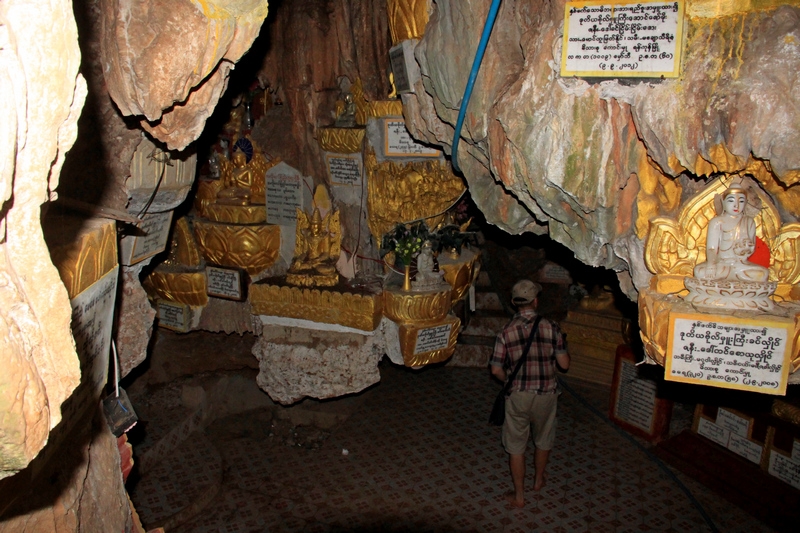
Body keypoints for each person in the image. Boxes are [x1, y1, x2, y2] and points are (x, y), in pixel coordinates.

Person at [489, 279, 570, 509]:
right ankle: (537, 481)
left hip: (518, 395)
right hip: (546, 393)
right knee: (543, 439)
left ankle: (519, 496)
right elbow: (564, 364)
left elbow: (495, 369)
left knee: (516, 446)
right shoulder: (551, 327)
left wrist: (509, 380)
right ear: (536, 301)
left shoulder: (505, 331)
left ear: (515, 303)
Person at [693, 186, 769, 282]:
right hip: (721, 264)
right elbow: (711, 248)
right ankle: (737, 282)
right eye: (731, 201)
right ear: (723, 202)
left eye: (741, 201)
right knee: (699, 272)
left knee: (763, 274)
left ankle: (731, 280)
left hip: (740, 265)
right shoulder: (717, 222)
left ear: (745, 203)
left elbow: (751, 248)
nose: (736, 205)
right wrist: (711, 265)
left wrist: (744, 249)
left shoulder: (749, 222)